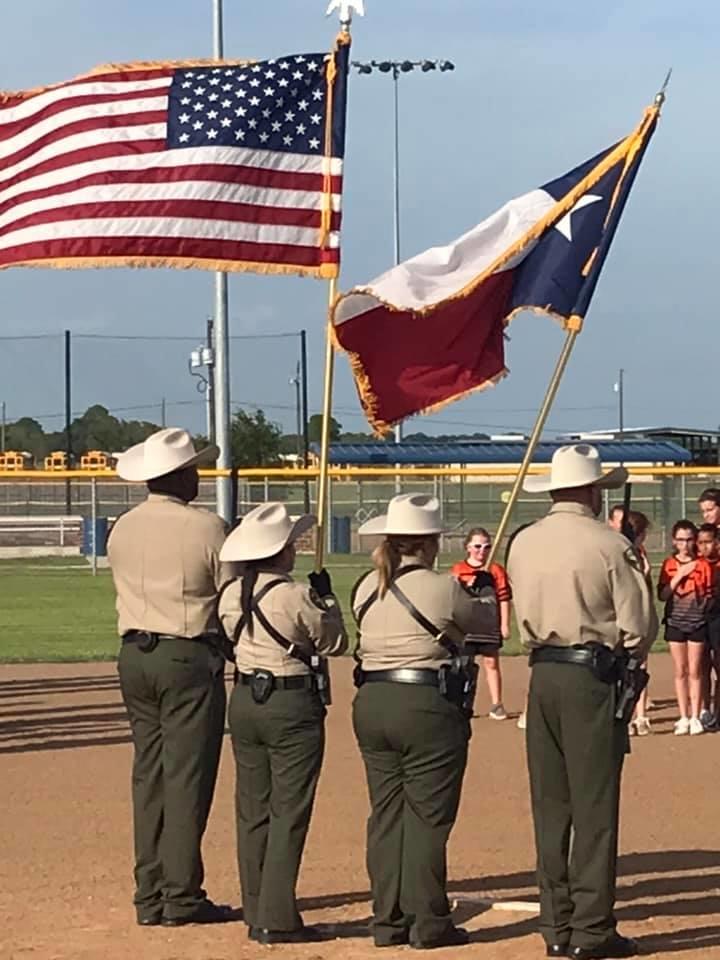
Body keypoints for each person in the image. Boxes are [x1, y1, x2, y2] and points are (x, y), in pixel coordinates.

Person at [507, 444, 657, 960]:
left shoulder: (523, 542)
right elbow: (637, 627)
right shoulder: (608, 544)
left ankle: (556, 924)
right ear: (593, 491)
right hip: (590, 677)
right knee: (593, 806)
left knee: (551, 806)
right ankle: (592, 930)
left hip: (541, 672)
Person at [351, 493, 499, 950]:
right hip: (426, 703)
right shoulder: (444, 586)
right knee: (428, 816)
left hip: (372, 700)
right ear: (431, 542)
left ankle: (387, 917)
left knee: (386, 813)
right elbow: (488, 631)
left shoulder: (365, 585)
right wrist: (482, 591)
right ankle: (428, 919)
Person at [108, 428, 234, 927]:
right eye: (194, 468)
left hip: (134, 654)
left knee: (150, 774)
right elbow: (229, 598)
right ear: (178, 476)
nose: (199, 476)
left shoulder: (122, 527)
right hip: (187, 652)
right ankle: (181, 893)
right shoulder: (207, 529)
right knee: (187, 776)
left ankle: (149, 891)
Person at [218, 503, 348, 945]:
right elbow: (334, 642)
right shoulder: (294, 595)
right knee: (288, 809)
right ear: (280, 551)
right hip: (290, 701)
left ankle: (256, 904)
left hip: (245, 700)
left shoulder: (230, 592)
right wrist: (327, 600)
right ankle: (277, 916)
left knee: (252, 808)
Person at [658, 520, 714, 735]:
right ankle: (682, 716)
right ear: (674, 541)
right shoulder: (668, 564)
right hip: (675, 622)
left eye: (690, 539)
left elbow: (708, 596)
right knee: (680, 670)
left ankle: (695, 715)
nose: (685, 544)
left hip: (697, 622)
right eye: (680, 540)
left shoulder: (703, 565)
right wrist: (679, 575)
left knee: (695, 670)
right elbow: (662, 596)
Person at [450, 526, 511, 720]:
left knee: (491, 662)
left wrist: (504, 625)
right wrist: (468, 586)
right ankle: (463, 703)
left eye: (486, 547)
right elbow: (453, 598)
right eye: (477, 546)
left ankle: (497, 704)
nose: (482, 551)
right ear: (468, 547)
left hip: (488, 623)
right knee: (464, 664)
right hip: (466, 625)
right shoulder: (459, 570)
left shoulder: (496, 570)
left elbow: (504, 598)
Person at [625, 511, 653, 737]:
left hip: (639, 617)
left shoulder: (640, 553)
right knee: (629, 667)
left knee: (639, 667)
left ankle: (641, 715)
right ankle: (628, 714)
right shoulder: (622, 554)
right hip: (628, 617)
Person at [696, 522, 720, 726]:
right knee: (702, 666)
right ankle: (704, 709)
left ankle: (718, 711)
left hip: (718, 619)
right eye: (700, 542)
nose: (704, 547)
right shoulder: (696, 565)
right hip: (699, 619)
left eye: (708, 542)